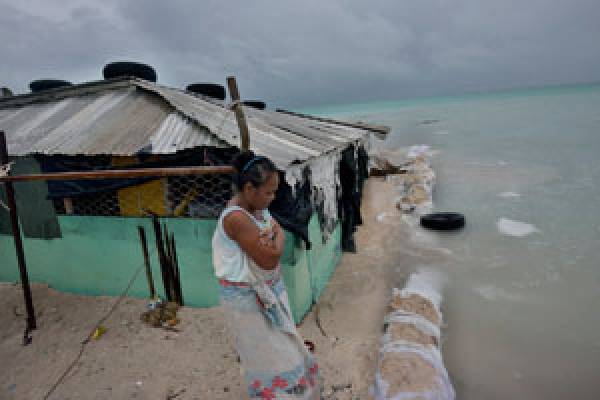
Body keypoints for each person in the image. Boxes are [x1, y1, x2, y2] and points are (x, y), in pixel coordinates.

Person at [212, 151, 321, 399]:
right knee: (266, 352)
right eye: (269, 192)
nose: (273, 198)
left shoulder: (258, 209)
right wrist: (276, 243)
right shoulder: (237, 218)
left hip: (265, 291)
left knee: (280, 345)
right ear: (249, 188)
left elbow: (278, 231)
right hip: (247, 298)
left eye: (274, 192)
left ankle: (286, 391)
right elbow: (270, 260)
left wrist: (275, 239)